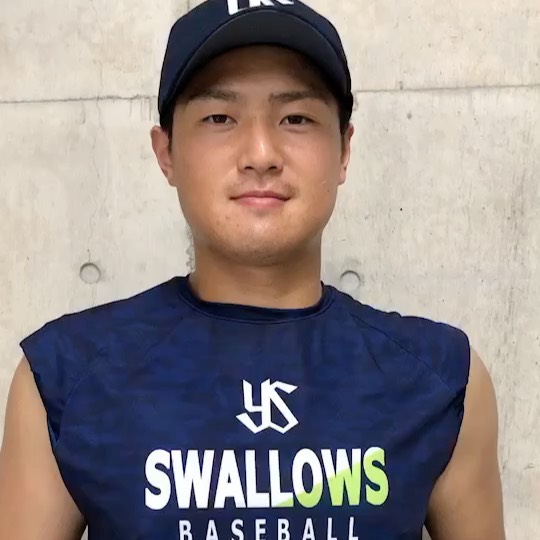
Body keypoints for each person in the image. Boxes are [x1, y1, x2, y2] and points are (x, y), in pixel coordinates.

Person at [0, 1, 505, 539]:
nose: (261, 153)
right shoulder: (65, 377)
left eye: (296, 118)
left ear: (343, 150)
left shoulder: (443, 378)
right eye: (220, 118)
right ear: (166, 152)